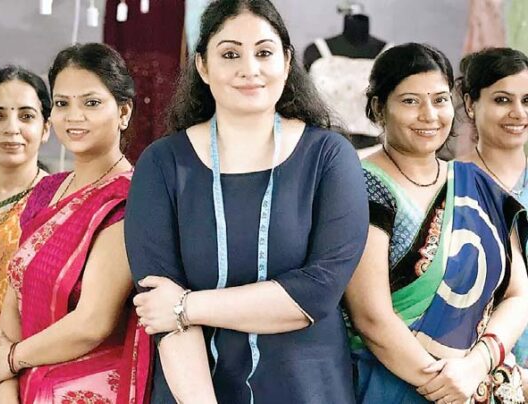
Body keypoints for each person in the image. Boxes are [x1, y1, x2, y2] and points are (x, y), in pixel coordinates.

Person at [125, 0, 369, 403]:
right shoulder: (162, 164)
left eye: (264, 52)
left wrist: (186, 306)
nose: (249, 68)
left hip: (310, 391)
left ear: (286, 62)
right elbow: (159, 309)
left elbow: (316, 293)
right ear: (202, 66)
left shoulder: (329, 156)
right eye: (230, 54)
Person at [344, 42, 528, 403]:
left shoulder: (478, 185)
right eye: (410, 101)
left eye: (440, 100)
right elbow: (371, 317)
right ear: (379, 108)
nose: (429, 115)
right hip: (393, 385)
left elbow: (518, 294)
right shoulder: (362, 184)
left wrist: (476, 367)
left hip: (476, 383)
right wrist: (445, 386)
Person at [0, 43, 150, 403]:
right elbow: (15, 298)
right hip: (25, 375)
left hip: (86, 386)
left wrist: (12, 361)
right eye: (62, 103)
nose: (74, 116)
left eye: (91, 103)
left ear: (123, 111)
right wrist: (6, 388)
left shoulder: (130, 199)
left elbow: (92, 323)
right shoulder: (46, 191)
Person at [0, 66, 50, 403]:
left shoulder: (61, 205)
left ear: (46, 128)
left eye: (26, 116)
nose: (11, 128)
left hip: (21, 384)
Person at [457, 46, 528, 399]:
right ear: (470, 104)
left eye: (527, 101)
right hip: (473, 375)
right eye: (502, 100)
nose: (518, 113)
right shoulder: (449, 185)